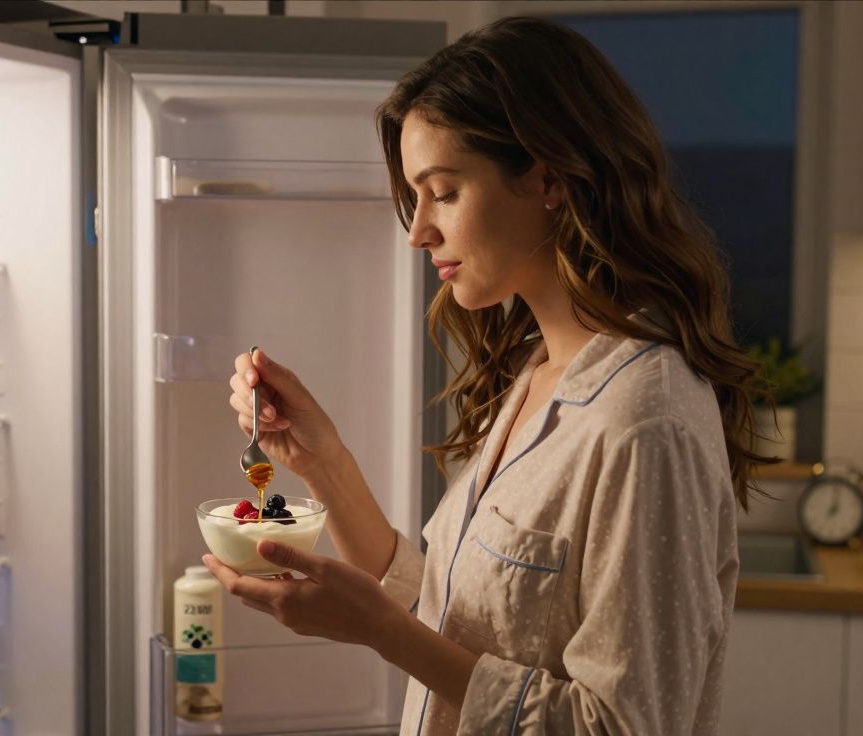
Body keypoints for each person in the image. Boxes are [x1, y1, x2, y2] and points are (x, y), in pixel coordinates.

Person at [203, 16, 769, 736]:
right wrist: (322, 461)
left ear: (548, 179)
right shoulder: (540, 372)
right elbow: (451, 615)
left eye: (443, 192)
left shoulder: (643, 421)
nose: (418, 232)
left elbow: (625, 725)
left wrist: (383, 633)